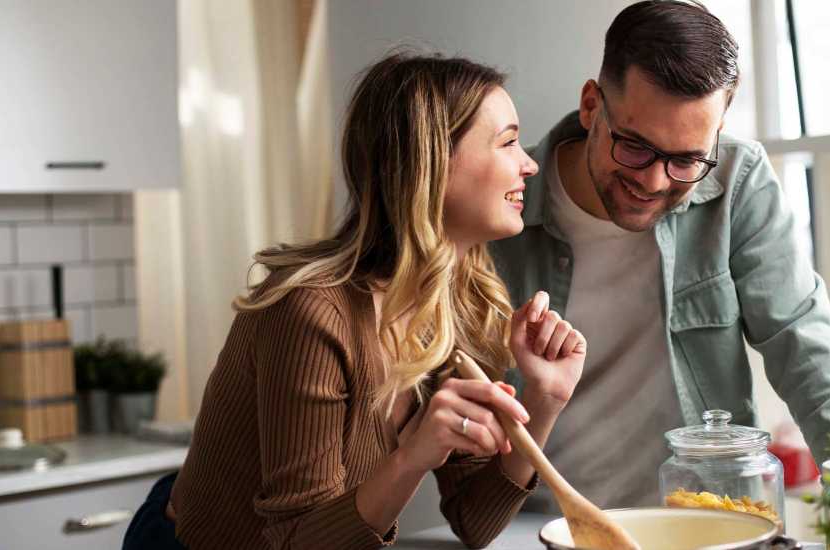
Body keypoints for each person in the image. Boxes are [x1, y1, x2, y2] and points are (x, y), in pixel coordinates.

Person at [123, 52, 587, 550]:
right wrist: (412, 456)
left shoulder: (457, 305)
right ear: (430, 164)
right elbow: (297, 542)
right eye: (509, 142)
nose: (530, 163)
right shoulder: (310, 312)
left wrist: (543, 403)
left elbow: (476, 522)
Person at [489, 0, 830, 512]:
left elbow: (805, 346)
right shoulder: (502, 203)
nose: (653, 182)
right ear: (590, 106)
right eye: (634, 146)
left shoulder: (738, 178)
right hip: (542, 525)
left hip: (707, 520)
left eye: (687, 159)